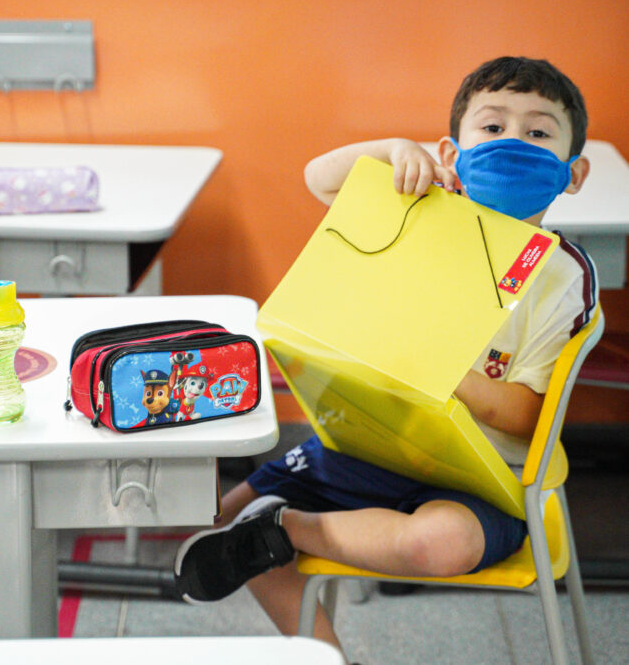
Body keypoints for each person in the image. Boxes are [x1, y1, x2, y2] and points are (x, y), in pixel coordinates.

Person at [173, 56, 598, 656]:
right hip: (363, 446)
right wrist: (393, 149)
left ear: (573, 173)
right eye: (492, 126)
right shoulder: (421, 209)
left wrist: (440, 363)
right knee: (213, 524)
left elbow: (529, 417)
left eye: (538, 131)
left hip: (481, 481)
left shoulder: (561, 275)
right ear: (452, 152)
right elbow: (320, 178)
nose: (512, 143)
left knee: (441, 544)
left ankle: (278, 530)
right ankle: (312, 627)